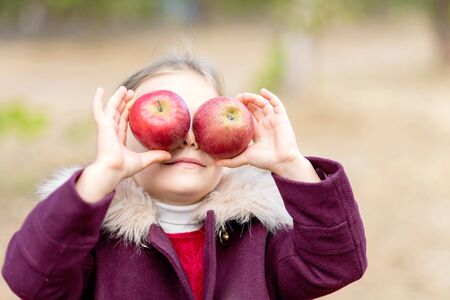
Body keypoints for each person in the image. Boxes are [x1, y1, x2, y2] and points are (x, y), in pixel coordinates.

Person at [2, 52, 367, 299]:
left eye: (202, 120)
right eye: (169, 120)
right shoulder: (89, 242)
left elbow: (337, 262)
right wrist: (101, 175)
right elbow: (31, 279)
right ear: (124, 138)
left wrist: (290, 164)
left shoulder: (259, 237)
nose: (189, 136)